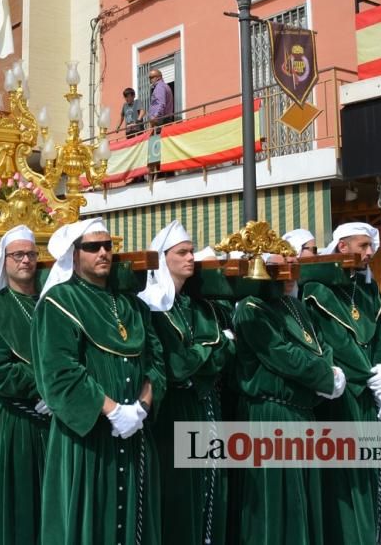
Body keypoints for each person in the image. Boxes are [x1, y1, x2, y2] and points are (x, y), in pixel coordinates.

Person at [32, 218, 166, 544]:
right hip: (88, 438)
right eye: (92, 247)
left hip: (134, 430)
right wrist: (112, 411)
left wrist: (141, 407)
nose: (103, 252)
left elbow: (156, 363)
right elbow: (60, 373)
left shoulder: (131, 305)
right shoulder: (59, 302)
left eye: (108, 245)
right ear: (74, 255)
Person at [233, 244, 347, 545]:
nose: (289, 273)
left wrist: (330, 369)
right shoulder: (251, 308)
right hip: (272, 415)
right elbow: (281, 354)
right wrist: (325, 376)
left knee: (302, 496)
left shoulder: (294, 305)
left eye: (291, 266)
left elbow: (319, 344)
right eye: (280, 267)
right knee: (278, 499)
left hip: (303, 412)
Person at [138, 220, 235, 545]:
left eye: (192, 251)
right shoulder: (151, 305)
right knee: (179, 493)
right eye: (182, 252)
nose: (190, 258)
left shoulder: (195, 306)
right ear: (164, 258)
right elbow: (177, 366)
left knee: (209, 489)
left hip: (205, 406)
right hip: (174, 413)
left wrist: (208, 352)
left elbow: (223, 352)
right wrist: (212, 348)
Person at [301, 222, 381, 545]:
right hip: (342, 399)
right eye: (363, 246)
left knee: (370, 475)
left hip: (369, 398)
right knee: (344, 480)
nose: (369, 253)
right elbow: (337, 343)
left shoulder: (368, 290)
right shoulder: (318, 290)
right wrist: (370, 375)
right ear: (342, 247)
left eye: (370, 247)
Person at [0, 226, 50, 545]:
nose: (25, 261)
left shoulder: (52, 302)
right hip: (16, 422)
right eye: (17, 255)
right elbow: (0, 374)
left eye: (31, 254)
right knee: (18, 508)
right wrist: (50, 386)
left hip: (59, 421)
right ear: (4, 261)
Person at [147, 68, 174, 132]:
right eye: (149, 78)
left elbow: (160, 103)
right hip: (164, 120)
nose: (150, 80)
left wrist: (155, 118)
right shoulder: (164, 86)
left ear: (158, 77)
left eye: (151, 77)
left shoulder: (159, 87)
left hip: (160, 121)